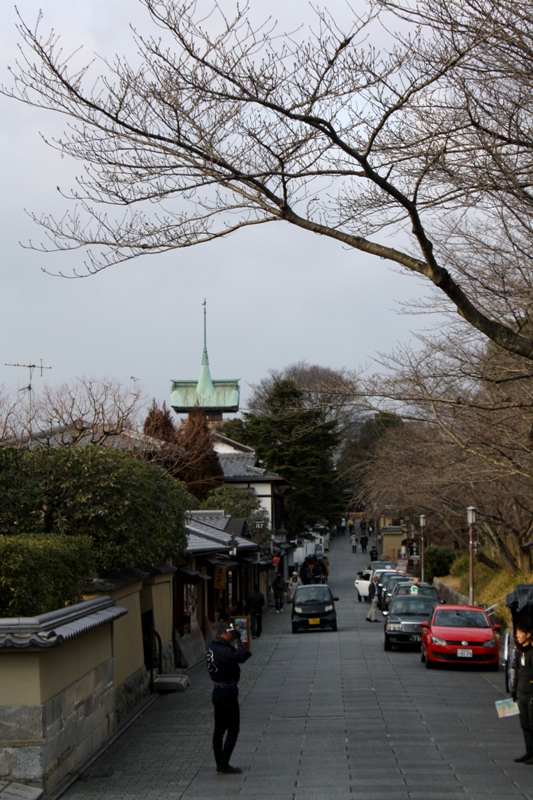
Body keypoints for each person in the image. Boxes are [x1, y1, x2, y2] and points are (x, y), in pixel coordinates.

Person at [206, 623, 252, 774]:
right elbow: (242, 656)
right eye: (231, 633)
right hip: (227, 693)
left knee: (219, 730)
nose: (233, 636)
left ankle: (220, 762)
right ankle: (223, 763)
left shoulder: (212, 648)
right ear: (224, 633)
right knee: (233, 729)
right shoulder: (222, 650)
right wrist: (240, 641)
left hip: (218, 691)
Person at [512, 621, 533, 764]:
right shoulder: (520, 652)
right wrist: (514, 690)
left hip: (531, 694)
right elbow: (518, 673)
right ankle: (528, 752)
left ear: (528, 635)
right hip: (521, 693)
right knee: (524, 724)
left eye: (520, 634)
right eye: (516, 634)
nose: (517, 636)